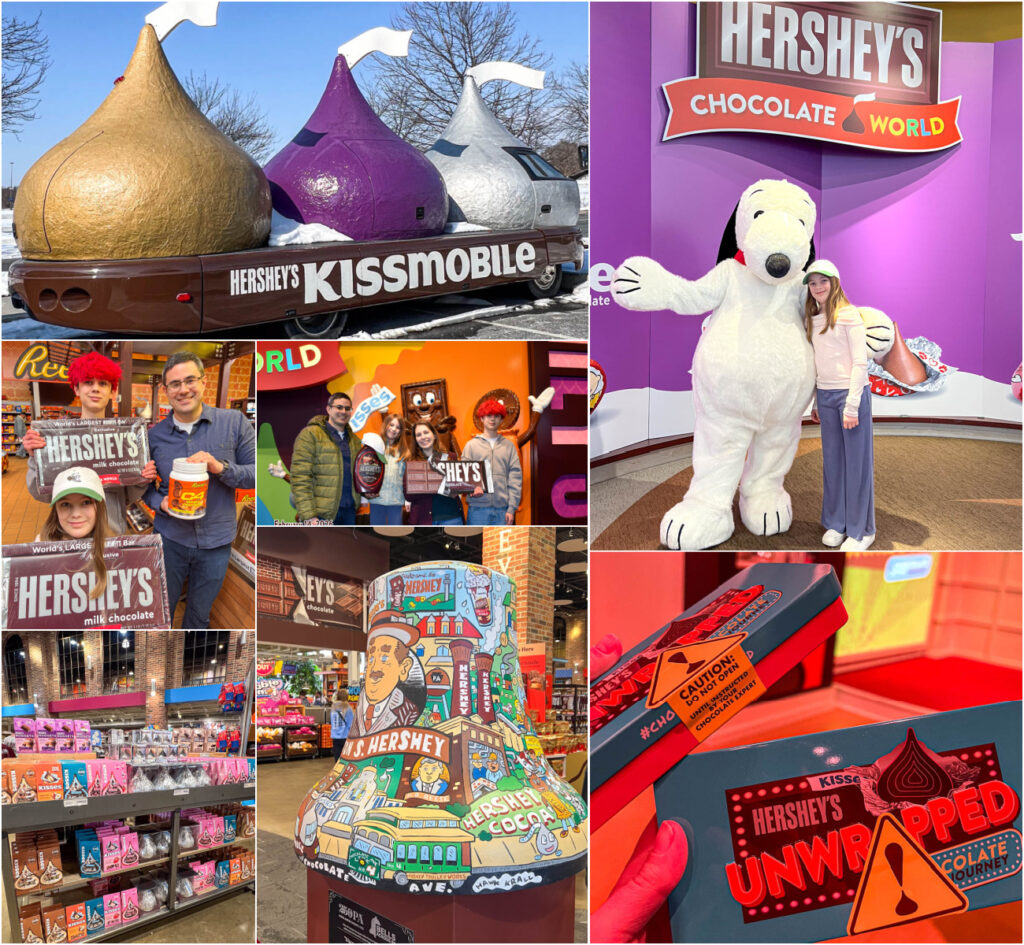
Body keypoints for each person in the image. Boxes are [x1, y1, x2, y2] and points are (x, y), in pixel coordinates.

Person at [143, 351, 255, 628]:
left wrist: (220, 467)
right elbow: (143, 487)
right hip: (170, 539)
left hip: (216, 543)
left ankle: (188, 661)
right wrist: (161, 503)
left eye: (190, 380)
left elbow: (256, 476)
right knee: (160, 612)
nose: (183, 389)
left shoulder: (234, 423)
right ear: (165, 390)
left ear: (204, 382)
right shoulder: (154, 436)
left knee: (198, 617)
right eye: (175, 384)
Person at [23, 351, 157, 535]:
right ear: (76, 389)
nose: (96, 388)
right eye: (88, 382)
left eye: (103, 383)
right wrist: (34, 458)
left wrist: (142, 478)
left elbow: (126, 496)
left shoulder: (124, 437)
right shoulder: (56, 437)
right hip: (70, 534)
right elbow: (42, 494)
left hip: (111, 533)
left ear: (112, 391)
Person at [804, 261, 876, 551]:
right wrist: (814, 402)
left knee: (857, 464)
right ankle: (837, 522)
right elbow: (816, 363)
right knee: (833, 463)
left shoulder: (849, 315)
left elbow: (860, 362)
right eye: (812, 283)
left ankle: (862, 530)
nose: (818, 287)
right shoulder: (812, 318)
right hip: (825, 395)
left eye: (823, 281)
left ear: (835, 282)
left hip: (851, 395)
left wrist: (851, 405)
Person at [37, 466, 111, 602]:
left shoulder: (115, 548)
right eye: (65, 504)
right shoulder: (40, 547)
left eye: (86, 502)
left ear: (100, 507)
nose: (76, 514)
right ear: (56, 510)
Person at [290, 392, 364, 525]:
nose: (343, 411)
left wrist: (368, 490)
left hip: (349, 513)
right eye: (339, 407)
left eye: (348, 408)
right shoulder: (310, 435)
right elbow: (300, 477)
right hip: (320, 515)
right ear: (328, 409)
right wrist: (309, 516)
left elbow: (359, 475)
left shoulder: (355, 441)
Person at [350, 611, 425, 737]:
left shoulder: (408, 712)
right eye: (371, 659)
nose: (374, 669)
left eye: (384, 658)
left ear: (404, 668)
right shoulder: (359, 712)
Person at [462, 400, 522, 525]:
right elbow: (463, 475)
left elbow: (515, 478)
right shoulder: (471, 445)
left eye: (497, 416)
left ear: (501, 420)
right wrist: (471, 488)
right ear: (482, 418)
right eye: (489, 415)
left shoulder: (509, 446)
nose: (492, 419)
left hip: (503, 510)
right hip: (477, 510)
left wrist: (511, 508)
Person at [404, 421, 464, 525]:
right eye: (418, 435)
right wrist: (435, 485)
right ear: (415, 440)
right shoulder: (412, 462)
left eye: (426, 432)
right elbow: (408, 494)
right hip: (424, 520)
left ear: (434, 435)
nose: (423, 437)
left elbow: (460, 485)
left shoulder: (451, 457)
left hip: (452, 516)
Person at [367, 412, 409, 525]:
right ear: (385, 425)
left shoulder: (404, 451)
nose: (394, 429)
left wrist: (408, 499)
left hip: (395, 501)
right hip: (377, 499)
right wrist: (366, 492)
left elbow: (406, 479)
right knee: (377, 533)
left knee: (395, 533)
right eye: (391, 425)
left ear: (401, 432)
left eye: (398, 427)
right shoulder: (374, 447)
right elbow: (366, 473)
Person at [329, 693, 353, 762]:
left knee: (337, 757)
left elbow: (332, 721)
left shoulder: (333, 707)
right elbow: (350, 724)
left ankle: (337, 770)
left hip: (335, 736)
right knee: (346, 757)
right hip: (345, 736)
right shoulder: (348, 708)